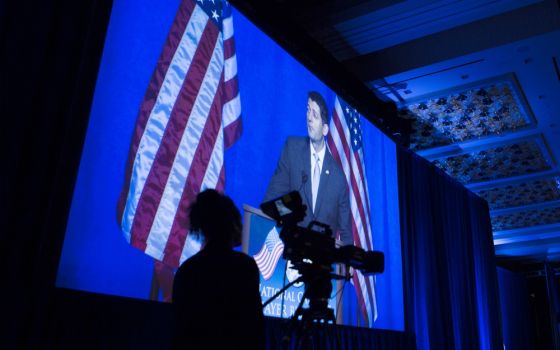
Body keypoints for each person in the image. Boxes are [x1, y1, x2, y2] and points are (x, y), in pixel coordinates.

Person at [172, 189, 265, 350]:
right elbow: (254, 330)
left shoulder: (187, 270)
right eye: (239, 221)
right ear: (231, 225)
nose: (242, 227)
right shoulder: (244, 267)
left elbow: (179, 332)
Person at [263, 91, 352, 246]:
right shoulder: (292, 149)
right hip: (289, 253)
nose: (309, 118)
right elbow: (270, 202)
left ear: (325, 129)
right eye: (308, 110)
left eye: (315, 115)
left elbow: (346, 235)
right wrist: (290, 213)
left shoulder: (338, 178)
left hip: (322, 261)